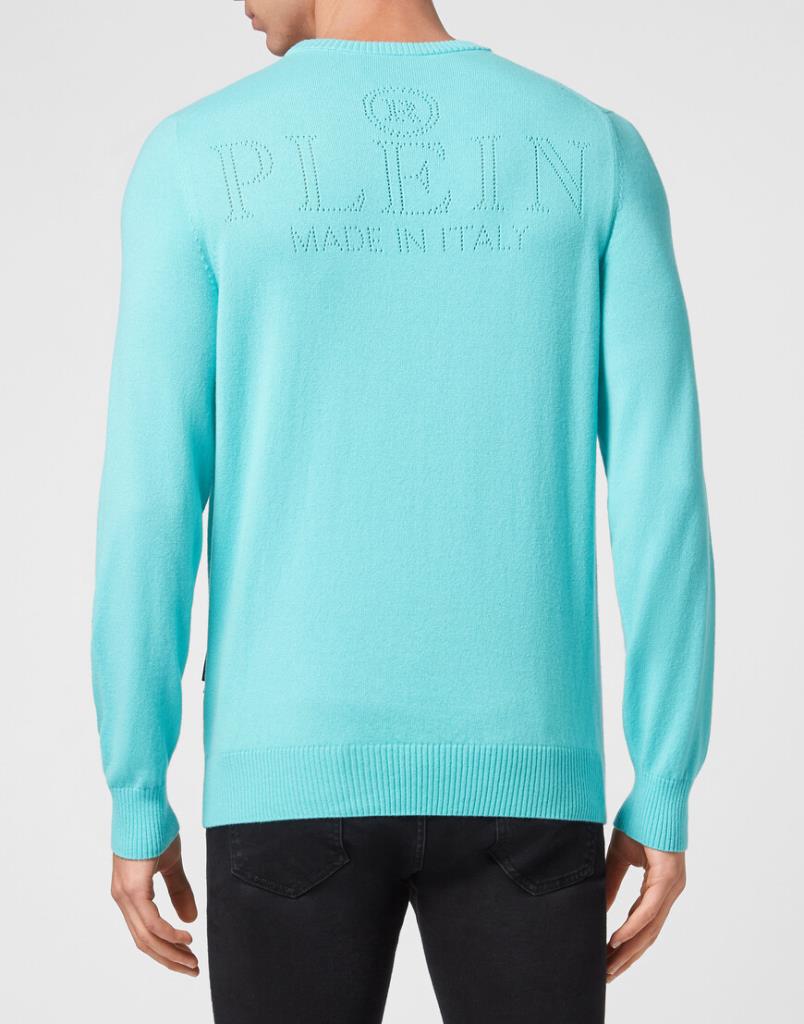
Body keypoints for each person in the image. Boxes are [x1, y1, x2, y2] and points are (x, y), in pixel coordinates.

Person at [90, 0, 715, 1020]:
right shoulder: (595, 150)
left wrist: (135, 787)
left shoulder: (192, 158)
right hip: (531, 777)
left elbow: (147, 503)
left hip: (282, 780)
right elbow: (663, 490)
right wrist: (665, 781)